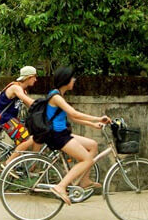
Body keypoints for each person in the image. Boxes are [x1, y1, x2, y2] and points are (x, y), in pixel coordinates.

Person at [40, 66, 111, 205]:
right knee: (86, 160)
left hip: (62, 133)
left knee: (93, 145)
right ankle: (60, 186)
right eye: (72, 78)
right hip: (57, 135)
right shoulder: (55, 96)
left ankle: (84, 180)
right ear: (66, 80)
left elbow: (72, 118)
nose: (74, 80)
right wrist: (97, 118)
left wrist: (93, 125)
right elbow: (74, 113)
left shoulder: (59, 95)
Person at [0, 66, 40, 168]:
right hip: (5, 119)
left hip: (13, 120)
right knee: (27, 139)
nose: (36, 80)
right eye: (34, 77)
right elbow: (28, 101)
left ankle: (31, 169)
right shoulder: (16, 88)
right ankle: (7, 164)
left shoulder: (22, 90)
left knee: (39, 135)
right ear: (29, 77)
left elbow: (30, 107)